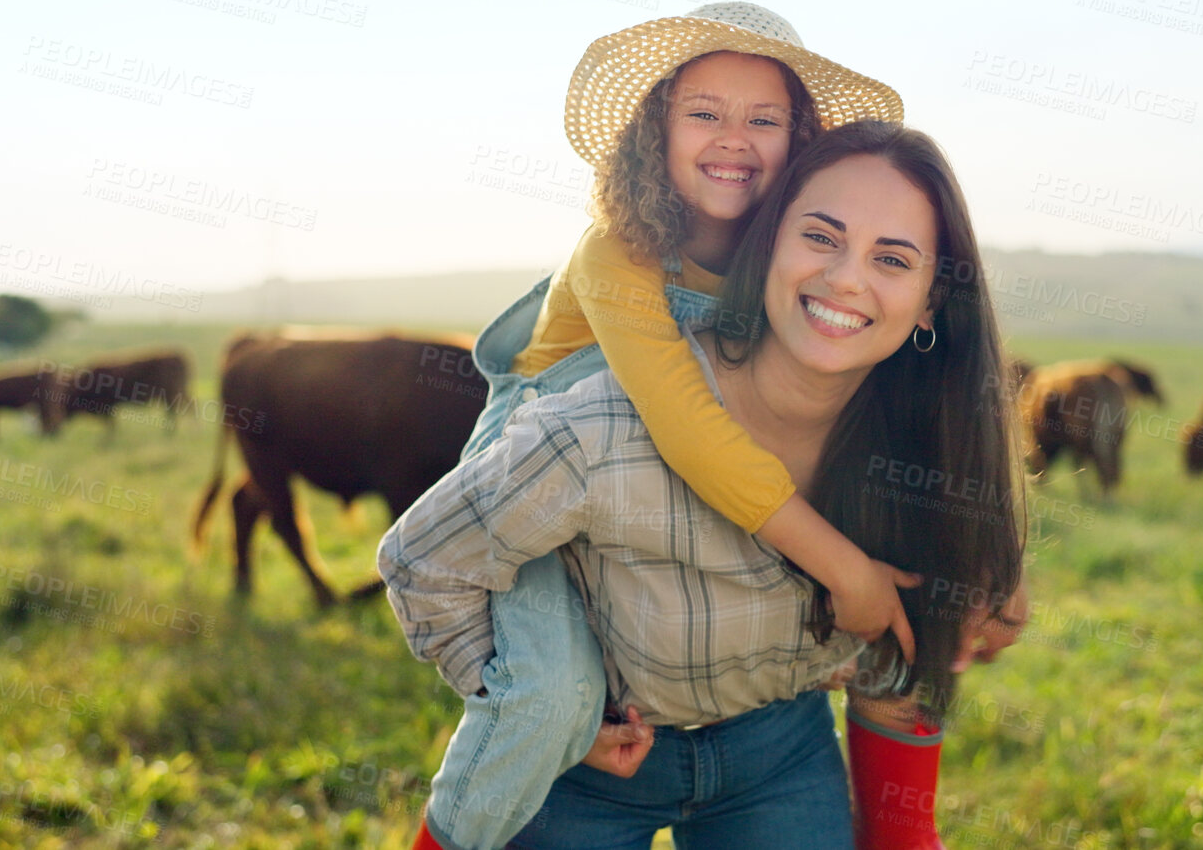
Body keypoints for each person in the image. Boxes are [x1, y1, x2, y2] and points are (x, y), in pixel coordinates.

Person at [383, 121, 1028, 848]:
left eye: (891, 257)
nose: (847, 277)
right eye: (820, 236)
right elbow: (422, 560)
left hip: (780, 756)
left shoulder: (919, 454)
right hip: (586, 766)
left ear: (932, 301)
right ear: (767, 245)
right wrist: (536, 706)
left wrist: (901, 839)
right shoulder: (604, 426)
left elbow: (897, 660)